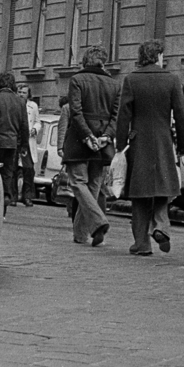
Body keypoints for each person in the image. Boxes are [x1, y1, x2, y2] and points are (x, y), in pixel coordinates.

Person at [115, 39, 184, 256]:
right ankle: (161, 227)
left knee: (140, 194)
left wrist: (120, 145)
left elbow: (123, 116)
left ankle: (141, 243)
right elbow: (182, 116)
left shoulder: (131, 79)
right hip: (163, 140)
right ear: (158, 56)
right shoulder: (172, 80)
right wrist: (182, 144)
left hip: (139, 142)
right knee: (162, 188)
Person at [63, 47, 119, 246]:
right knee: (94, 185)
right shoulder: (114, 84)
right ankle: (81, 234)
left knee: (78, 183)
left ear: (85, 61)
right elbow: (116, 116)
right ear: (103, 63)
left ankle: (98, 221)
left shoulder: (77, 80)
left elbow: (76, 112)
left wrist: (87, 135)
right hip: (103, 140)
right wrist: (106, 136)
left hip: (80, 138)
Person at [0, 71, 29, 211]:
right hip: (12, 143)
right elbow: (24, 126)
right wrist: (24, 145)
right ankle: (6, 197)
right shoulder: (20, 101)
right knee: (8, 173)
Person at [20, 87, 40, 207]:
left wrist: (35, 129)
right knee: (14, 169)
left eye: (24, 92)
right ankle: (13, 196)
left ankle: (27, 196)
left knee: (28, 170)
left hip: (28, 141)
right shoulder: (15, 104)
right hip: (18, 140)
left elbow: (38, 121)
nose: (21, 94)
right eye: (20, 92)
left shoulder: (33, 106)